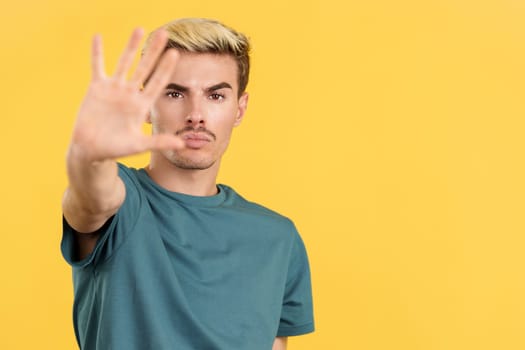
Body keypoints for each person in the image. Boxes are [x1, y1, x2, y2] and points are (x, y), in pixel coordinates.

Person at [61, 18, 314, 350]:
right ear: (147, 105)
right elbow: (92, 199)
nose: (196, 114)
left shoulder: (278, 238)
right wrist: (89, 156)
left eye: (215, 96)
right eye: (175, 93)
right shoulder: (123, 203)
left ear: (240, 109)